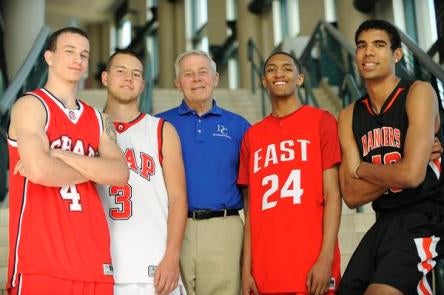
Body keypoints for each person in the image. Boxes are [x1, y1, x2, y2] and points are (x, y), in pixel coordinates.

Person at [6, 27, 129, 295]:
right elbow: (39, 170)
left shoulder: (99, 119)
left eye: (84, 54)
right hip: (42, 261)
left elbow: (120, 173)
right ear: (49, 57)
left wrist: (60, 155)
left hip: (94, 259)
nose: (78, 60)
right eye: (70, 51)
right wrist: (97, 169)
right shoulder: (31, 106)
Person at [337, 19, 444, 295]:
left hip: (426, 216)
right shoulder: (349, 115)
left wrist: (362, 167)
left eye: (379, 45)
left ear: (397, 54)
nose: (368, 52)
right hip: (384, 220)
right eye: (362, 46)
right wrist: (403, 165)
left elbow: (413, 176)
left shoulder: (419, 92)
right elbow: (350, 194)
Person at [238, 51, 342, 295]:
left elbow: (333, 196)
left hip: (312, 263)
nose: (279, 73)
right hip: (266, 269)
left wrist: (326, 258)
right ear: (264, 80)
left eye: (287, 68)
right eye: (271, 69)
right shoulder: (252, 136)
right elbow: (251, 210)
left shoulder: (321, 121)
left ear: (300, 78)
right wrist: (246, 270)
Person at [157, 50, 250, 295]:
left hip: (224, 228)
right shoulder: (158, 124)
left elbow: (251, 189)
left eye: (202, 72)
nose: (196, 79)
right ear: (178, 84)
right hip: (173, 228)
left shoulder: (239, 126)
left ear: (216, 78)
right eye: (188, 74)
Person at [98, 49, 187, 295]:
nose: (129, 78)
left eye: (136, 74)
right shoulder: (86, 127)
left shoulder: (161, 130)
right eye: (121, 71)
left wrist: (172, 256)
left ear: (142, 85)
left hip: (154, 269)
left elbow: (179, 199)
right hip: (100, 268)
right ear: (105, 78)